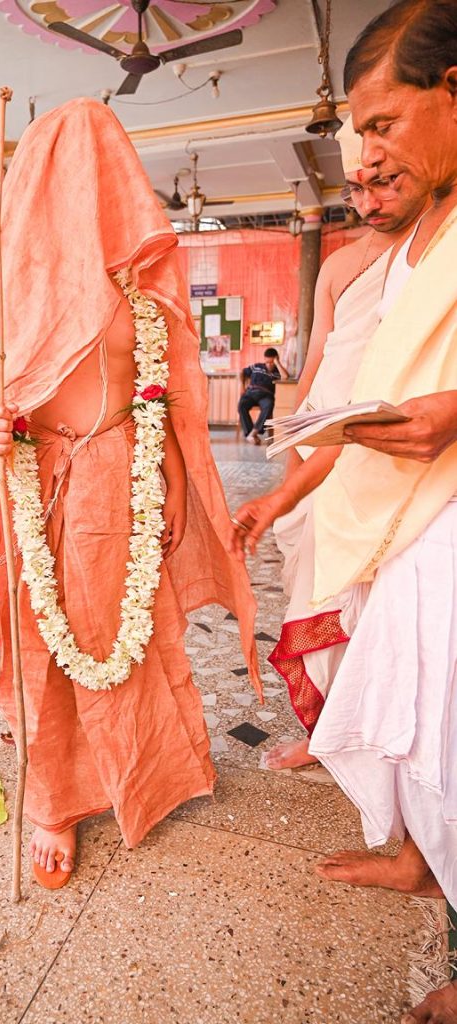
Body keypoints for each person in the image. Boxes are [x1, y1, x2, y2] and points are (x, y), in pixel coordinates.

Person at [0, 98, 261, 887]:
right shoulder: (10, 299)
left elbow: (167, 409)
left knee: (135, 643)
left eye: (103, 175)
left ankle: (151, 770)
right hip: (33, 486)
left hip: (119, 493)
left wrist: (169, 490)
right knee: (37, 655)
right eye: (69, 179)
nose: (86, 197)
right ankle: (53, 801)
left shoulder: (142, 296)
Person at [230, 0, 457, 969]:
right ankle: (419, 863)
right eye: (356, 139)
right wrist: (279, 494)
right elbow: (360, 399)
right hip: (393, 528)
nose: (365, 161)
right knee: (419, 740)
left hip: (441, 522)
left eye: (380, 124)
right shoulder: (415, 237)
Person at [264, 116, 430, 770]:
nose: (366, 203)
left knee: (373, 597)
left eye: (382, 185)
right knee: (312, 585)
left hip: (385, 445)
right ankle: (325, 729)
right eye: (355, 191)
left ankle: (387, 737)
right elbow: (316, 362)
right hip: (322, 430)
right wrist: (296, 440)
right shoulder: (335, 265)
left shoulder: (429, 256)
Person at [238, 347, 287, 443]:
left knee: (269, 405)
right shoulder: (257, 366)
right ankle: (250, 434)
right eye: (267, 362)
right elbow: (242, 372)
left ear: (276, 360)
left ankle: (253, 433)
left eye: (272, 362)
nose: (269, 365)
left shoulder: (278, 371)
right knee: (241, 405)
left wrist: (278, 363)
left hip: (266, 395)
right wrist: (242, 386)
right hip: (250, 393)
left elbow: (285, 377)